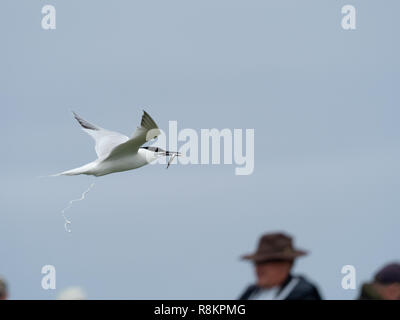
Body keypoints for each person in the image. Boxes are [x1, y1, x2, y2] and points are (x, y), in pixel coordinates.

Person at [238, 232, 322, 300]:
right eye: (256, 263)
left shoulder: (303, 292)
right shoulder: (251, 292)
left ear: (286, 264)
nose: (258, 269)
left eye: (265, 263)